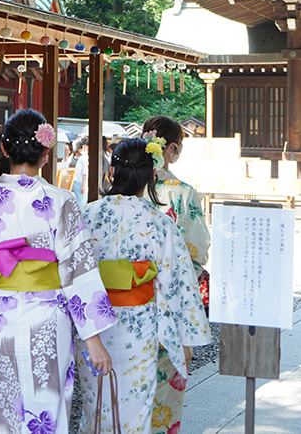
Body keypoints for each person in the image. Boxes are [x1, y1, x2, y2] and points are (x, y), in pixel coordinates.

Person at [0, 108, 114, 434]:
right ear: (46, 152)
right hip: (46, 317)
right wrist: (93, 339)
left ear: (3, 149)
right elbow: (79, 269)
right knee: (47, 407)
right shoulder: (61, 201)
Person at [76, 137, 210, 434]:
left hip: (93, 330)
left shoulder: (85, 216)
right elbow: (177, 284)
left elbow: (71, 276)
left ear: (111, 172)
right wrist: (184, 338)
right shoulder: (160, 223)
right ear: (152, 175)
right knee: (134, 414)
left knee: (95, 407)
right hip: (139, 330)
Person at [141, 115, 211, 434]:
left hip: (120, 304)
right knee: (163, 393)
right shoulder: (181, 192)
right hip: (168, 305)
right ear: (171, 148)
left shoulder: (123, 185)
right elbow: (196, 250)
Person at [71, 135, 89, 208]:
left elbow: (85, 173)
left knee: (79, 204)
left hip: (77, 182)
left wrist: (84, 185)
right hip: (78, 182)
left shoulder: (77, 157)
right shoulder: (83, 157)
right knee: (80, 204)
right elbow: (84, 173)